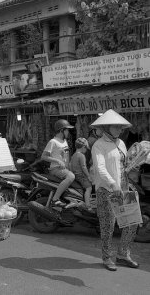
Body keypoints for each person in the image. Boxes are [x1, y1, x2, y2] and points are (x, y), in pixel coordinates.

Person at [91, 109, 139, 271]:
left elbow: (123, 166)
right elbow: (100, 168)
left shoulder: (121, 143)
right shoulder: (98, 145)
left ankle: (123, 254)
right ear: (107, 128)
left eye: (121, 127)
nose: (120, 130)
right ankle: (107, 257)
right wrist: (113, 184)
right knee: (108, 226)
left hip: (123, 188)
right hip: (107, 190)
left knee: (132, 223)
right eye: (116, 127)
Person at [41, 119, 75, 207]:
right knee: (71, 176)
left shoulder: (64, 141)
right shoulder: (53, 142)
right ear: (61, 131)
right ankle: (55, 199)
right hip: (56, 169)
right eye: (67, 130)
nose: (68, 132)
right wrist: (57, 161)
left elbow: (66, 156)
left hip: (64, 169)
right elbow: (43, 156)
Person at [70, 138, 93, 211]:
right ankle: (88, 206)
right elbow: (84, 167)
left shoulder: (74, 155)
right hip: (81, 175)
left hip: (75, 175)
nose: (86, 150)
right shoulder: (81, 156)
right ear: (83, 147)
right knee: (89, 188)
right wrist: (88, 176)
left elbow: (70, 165)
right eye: (86, 148)